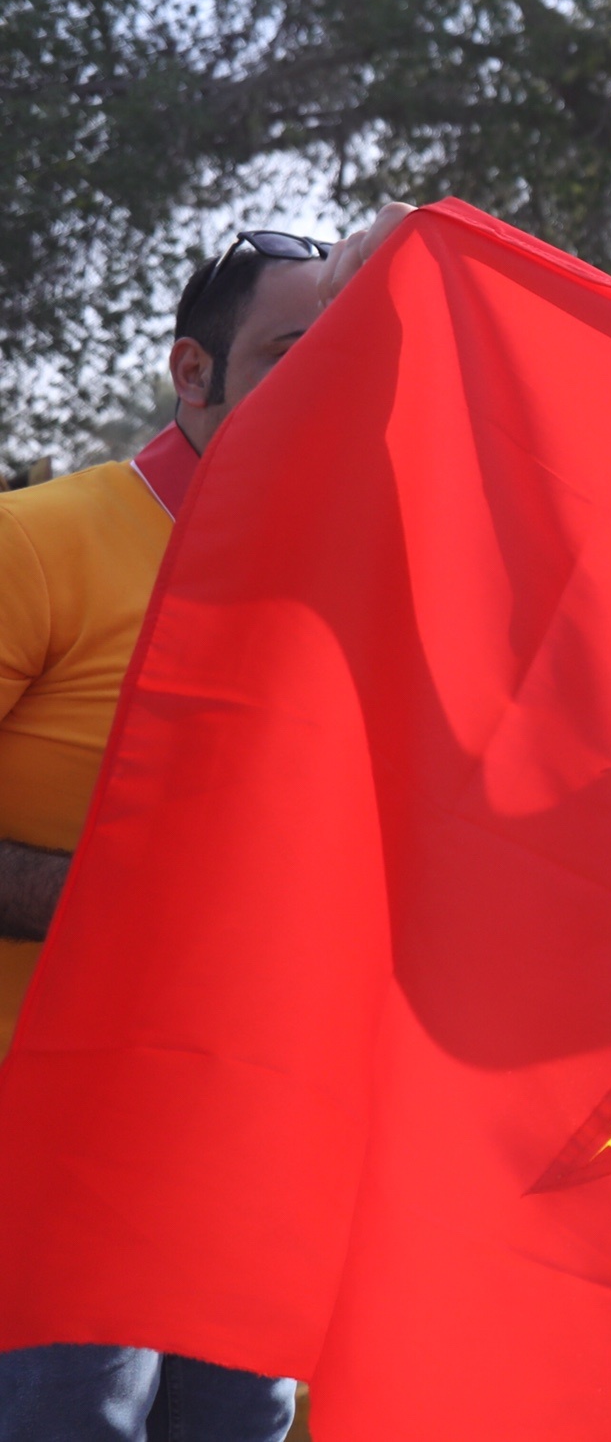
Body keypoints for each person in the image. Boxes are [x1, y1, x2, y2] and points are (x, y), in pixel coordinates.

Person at [0, 211, 408, 1441]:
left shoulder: (381, 597)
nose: (329, 388)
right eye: (294, 353)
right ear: (194, 371)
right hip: (51, 1147)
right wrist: (160, 915)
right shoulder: (42, 540)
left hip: (262, 1156)